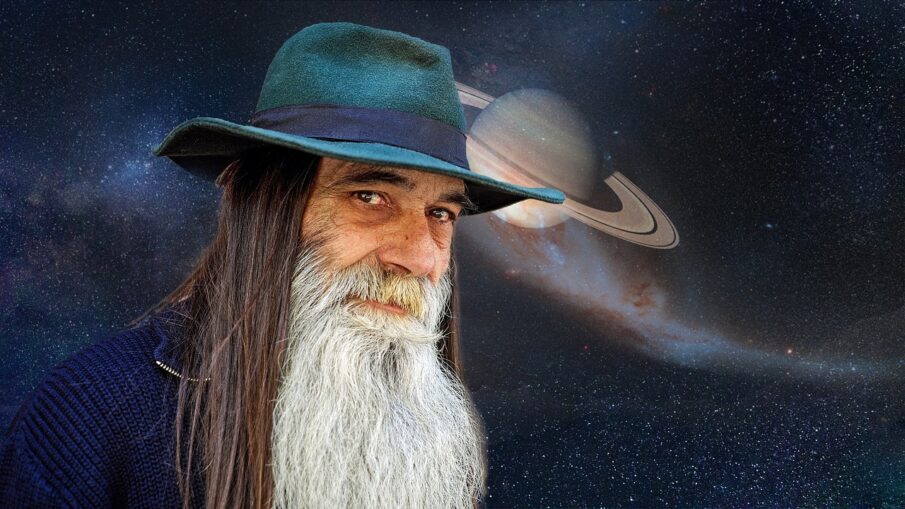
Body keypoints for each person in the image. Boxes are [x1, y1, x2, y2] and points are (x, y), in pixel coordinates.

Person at [0, 22, 563, 509]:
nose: (418, 257)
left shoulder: (428, 427)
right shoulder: (92, 412)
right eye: (369, 197)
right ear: (263, 206)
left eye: (441, 213)